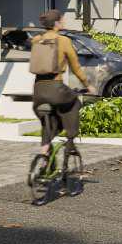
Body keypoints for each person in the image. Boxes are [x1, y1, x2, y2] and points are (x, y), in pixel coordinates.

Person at [28, 9, 90, 148]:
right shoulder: (63, 41)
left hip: (38, 91)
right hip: (56, 88)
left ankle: (44, 152)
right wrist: (87, 84)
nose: (64, 21)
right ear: (56, 23)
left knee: (48, 120)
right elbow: (76, 68)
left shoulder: (37, 40)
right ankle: (70, 139)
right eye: (62, 20)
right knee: (74, 103)